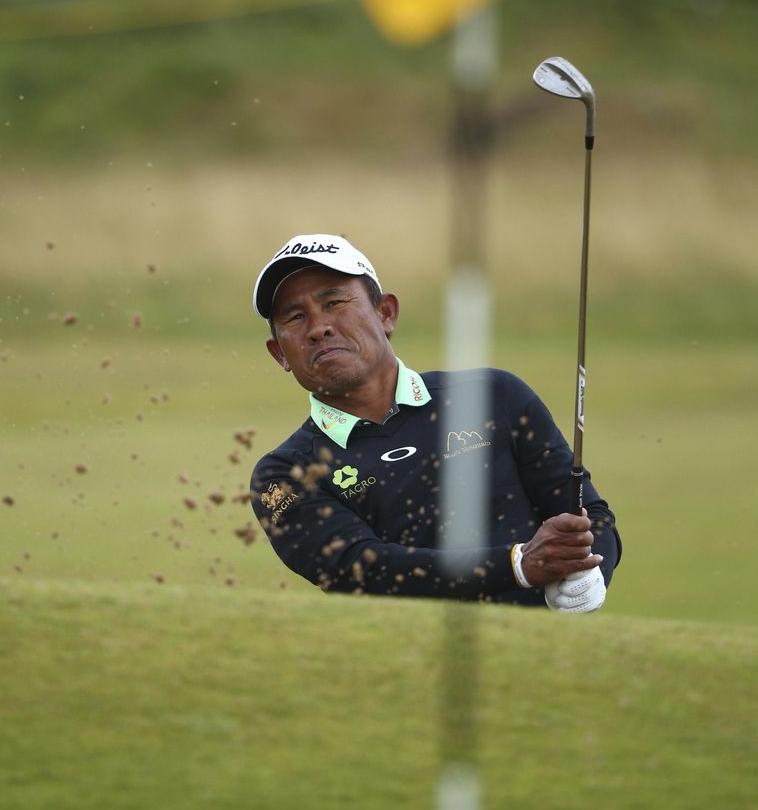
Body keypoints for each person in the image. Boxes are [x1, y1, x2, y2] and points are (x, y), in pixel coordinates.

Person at [249, 234, 621, 612]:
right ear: (279, 353)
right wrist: (518, 566)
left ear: (386, 314)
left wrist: (591, 570)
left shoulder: (493, 395)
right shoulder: (285, 474)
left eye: (335, 302)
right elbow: (361, 570)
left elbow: (589, 515)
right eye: (296, 317)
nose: (318, 327)